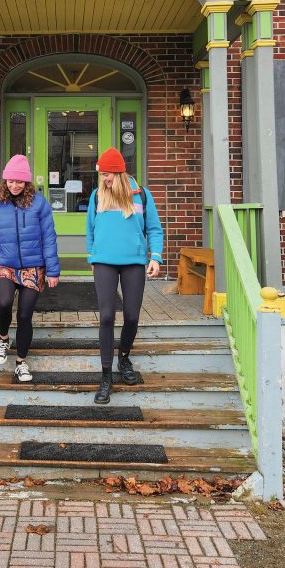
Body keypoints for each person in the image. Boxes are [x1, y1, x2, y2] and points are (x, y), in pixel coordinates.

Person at [87, 147, 163, 404]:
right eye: (103, 175)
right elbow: (90, 229)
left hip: (134, 262)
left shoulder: (141, 195)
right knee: (106, 316)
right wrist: (92, 255)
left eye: (108, 174)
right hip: (104, 262)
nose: (104, 179)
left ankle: (124, 357)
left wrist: (155, 257)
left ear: (119, 173)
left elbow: (154, 228)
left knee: (132, 315)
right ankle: (106, 376)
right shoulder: (98, 195)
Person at [0, 154, 60, 382]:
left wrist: (52, 270)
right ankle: (3, 340)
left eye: (19, 181)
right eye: (11, 181)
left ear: (27, 182)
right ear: (5, 180)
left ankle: (21, 362)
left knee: (24, 315)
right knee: (3, 303)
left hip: (33, 268)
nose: (14, 185)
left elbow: (49, 237)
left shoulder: (39, 203)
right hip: (5, 266)